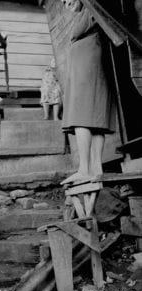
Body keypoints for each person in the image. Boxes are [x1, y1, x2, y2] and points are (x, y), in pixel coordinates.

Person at [60, 0, 116, 185]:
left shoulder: (91, 8)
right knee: (94, 116)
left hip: (88, 59)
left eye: (68, 0)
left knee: (81, 113)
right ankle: (96, 168)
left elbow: (79, 33)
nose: (66, 4)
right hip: (87, 58)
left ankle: (84, 169)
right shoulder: (85, 13)